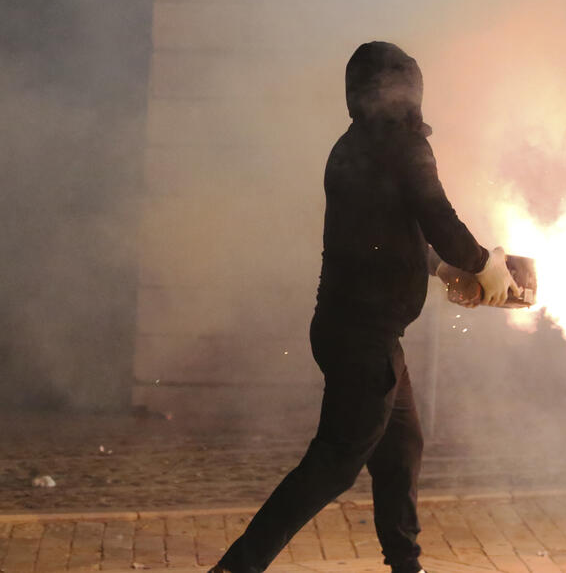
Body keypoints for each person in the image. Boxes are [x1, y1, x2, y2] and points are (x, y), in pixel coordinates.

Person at [211, 41, 520, 573]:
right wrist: (480, 263)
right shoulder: (403, 146)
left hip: (355, 331)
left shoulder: (352, 145)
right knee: (333, 464)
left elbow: (387, 230)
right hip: (365, 338)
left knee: (402, 452)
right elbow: (436, 214)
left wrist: (444, 268)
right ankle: (235, 569)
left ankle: (406, 565)